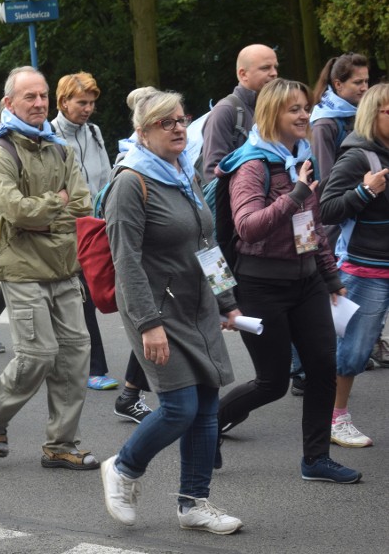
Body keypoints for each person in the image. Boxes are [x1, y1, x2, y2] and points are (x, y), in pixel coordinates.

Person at [99, 87, 243, 534]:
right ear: (143, 132)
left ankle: (193, 503)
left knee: (206, 404)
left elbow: (207, 241)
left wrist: (226, 302)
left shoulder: (185, 173)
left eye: (182, 120)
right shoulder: (130, 183)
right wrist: (148, 325)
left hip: (196, 304)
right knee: (179, 407)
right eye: (168, 122)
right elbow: (125, 262)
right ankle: (123, 467)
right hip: (156, 311)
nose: (180, 128)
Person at [215, 78, 361, 484]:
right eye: (293, 109)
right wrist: (295, 193)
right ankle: (209, 426)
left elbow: (309, 228)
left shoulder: (301, 157)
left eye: (306, 108)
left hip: (308, 281)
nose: (304, 115)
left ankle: (316, 459)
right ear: (271, 113)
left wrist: (331, 278)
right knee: (273, 382)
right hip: (261, 285)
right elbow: (247, 228)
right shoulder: (252, 165)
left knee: (322, 368)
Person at [0, 66, 98, 471]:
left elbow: (83, 204)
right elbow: (14, 211)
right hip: (21, 268)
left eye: (43, 96)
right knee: (39, 354)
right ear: (9, 104)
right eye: (30, 97)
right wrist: (53, 205)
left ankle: (61, 444)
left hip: (64, 267)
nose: (39, 103)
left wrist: (45, 213)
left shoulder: (61, 148)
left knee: (75, 355)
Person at [319, 83, 389, 448]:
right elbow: (326, 209)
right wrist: (364, 191)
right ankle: (335, 417)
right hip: (367, 270)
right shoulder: (358, 157)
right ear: (372, 114)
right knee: (354, 351)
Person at [51, 71, 118, 391]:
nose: (88, 108)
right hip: (65, 228)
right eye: (82, 102)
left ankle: (69, 357)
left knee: (88, 293)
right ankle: (94, 368)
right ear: (63, 102)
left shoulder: (94, 132)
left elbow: (106, 177)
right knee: (84, 297)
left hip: (96, 225)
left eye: (92, 102)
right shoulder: (48, 134)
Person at [200, 44, 279, 185]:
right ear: (243, 74)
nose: (274, 73)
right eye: (265, 68)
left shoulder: (274, 109)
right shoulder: (225, 111)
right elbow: (213, 174)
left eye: (275, 67)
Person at [311, 53, 370, 181]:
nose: (365, 88)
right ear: (338, 84)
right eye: (358, 82)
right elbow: (324, 178)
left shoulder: (361, 114)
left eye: (366, 81)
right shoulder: (324, 124)